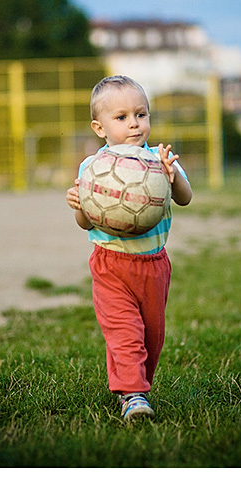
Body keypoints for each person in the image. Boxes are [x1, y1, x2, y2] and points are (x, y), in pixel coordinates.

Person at [66, 75, 192, 421]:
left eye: (141, 114)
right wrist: (80, 204)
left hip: (154, 263)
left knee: (151, 336)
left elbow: (185, 198)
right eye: (121, 118)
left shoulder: (158, 159)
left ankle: (135, 385)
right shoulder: (93, 168)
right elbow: (85, 224)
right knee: (126, 333)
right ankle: (133, 395)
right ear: (99, 127)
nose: (134, 124)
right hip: (111, 264)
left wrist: (172, 176)